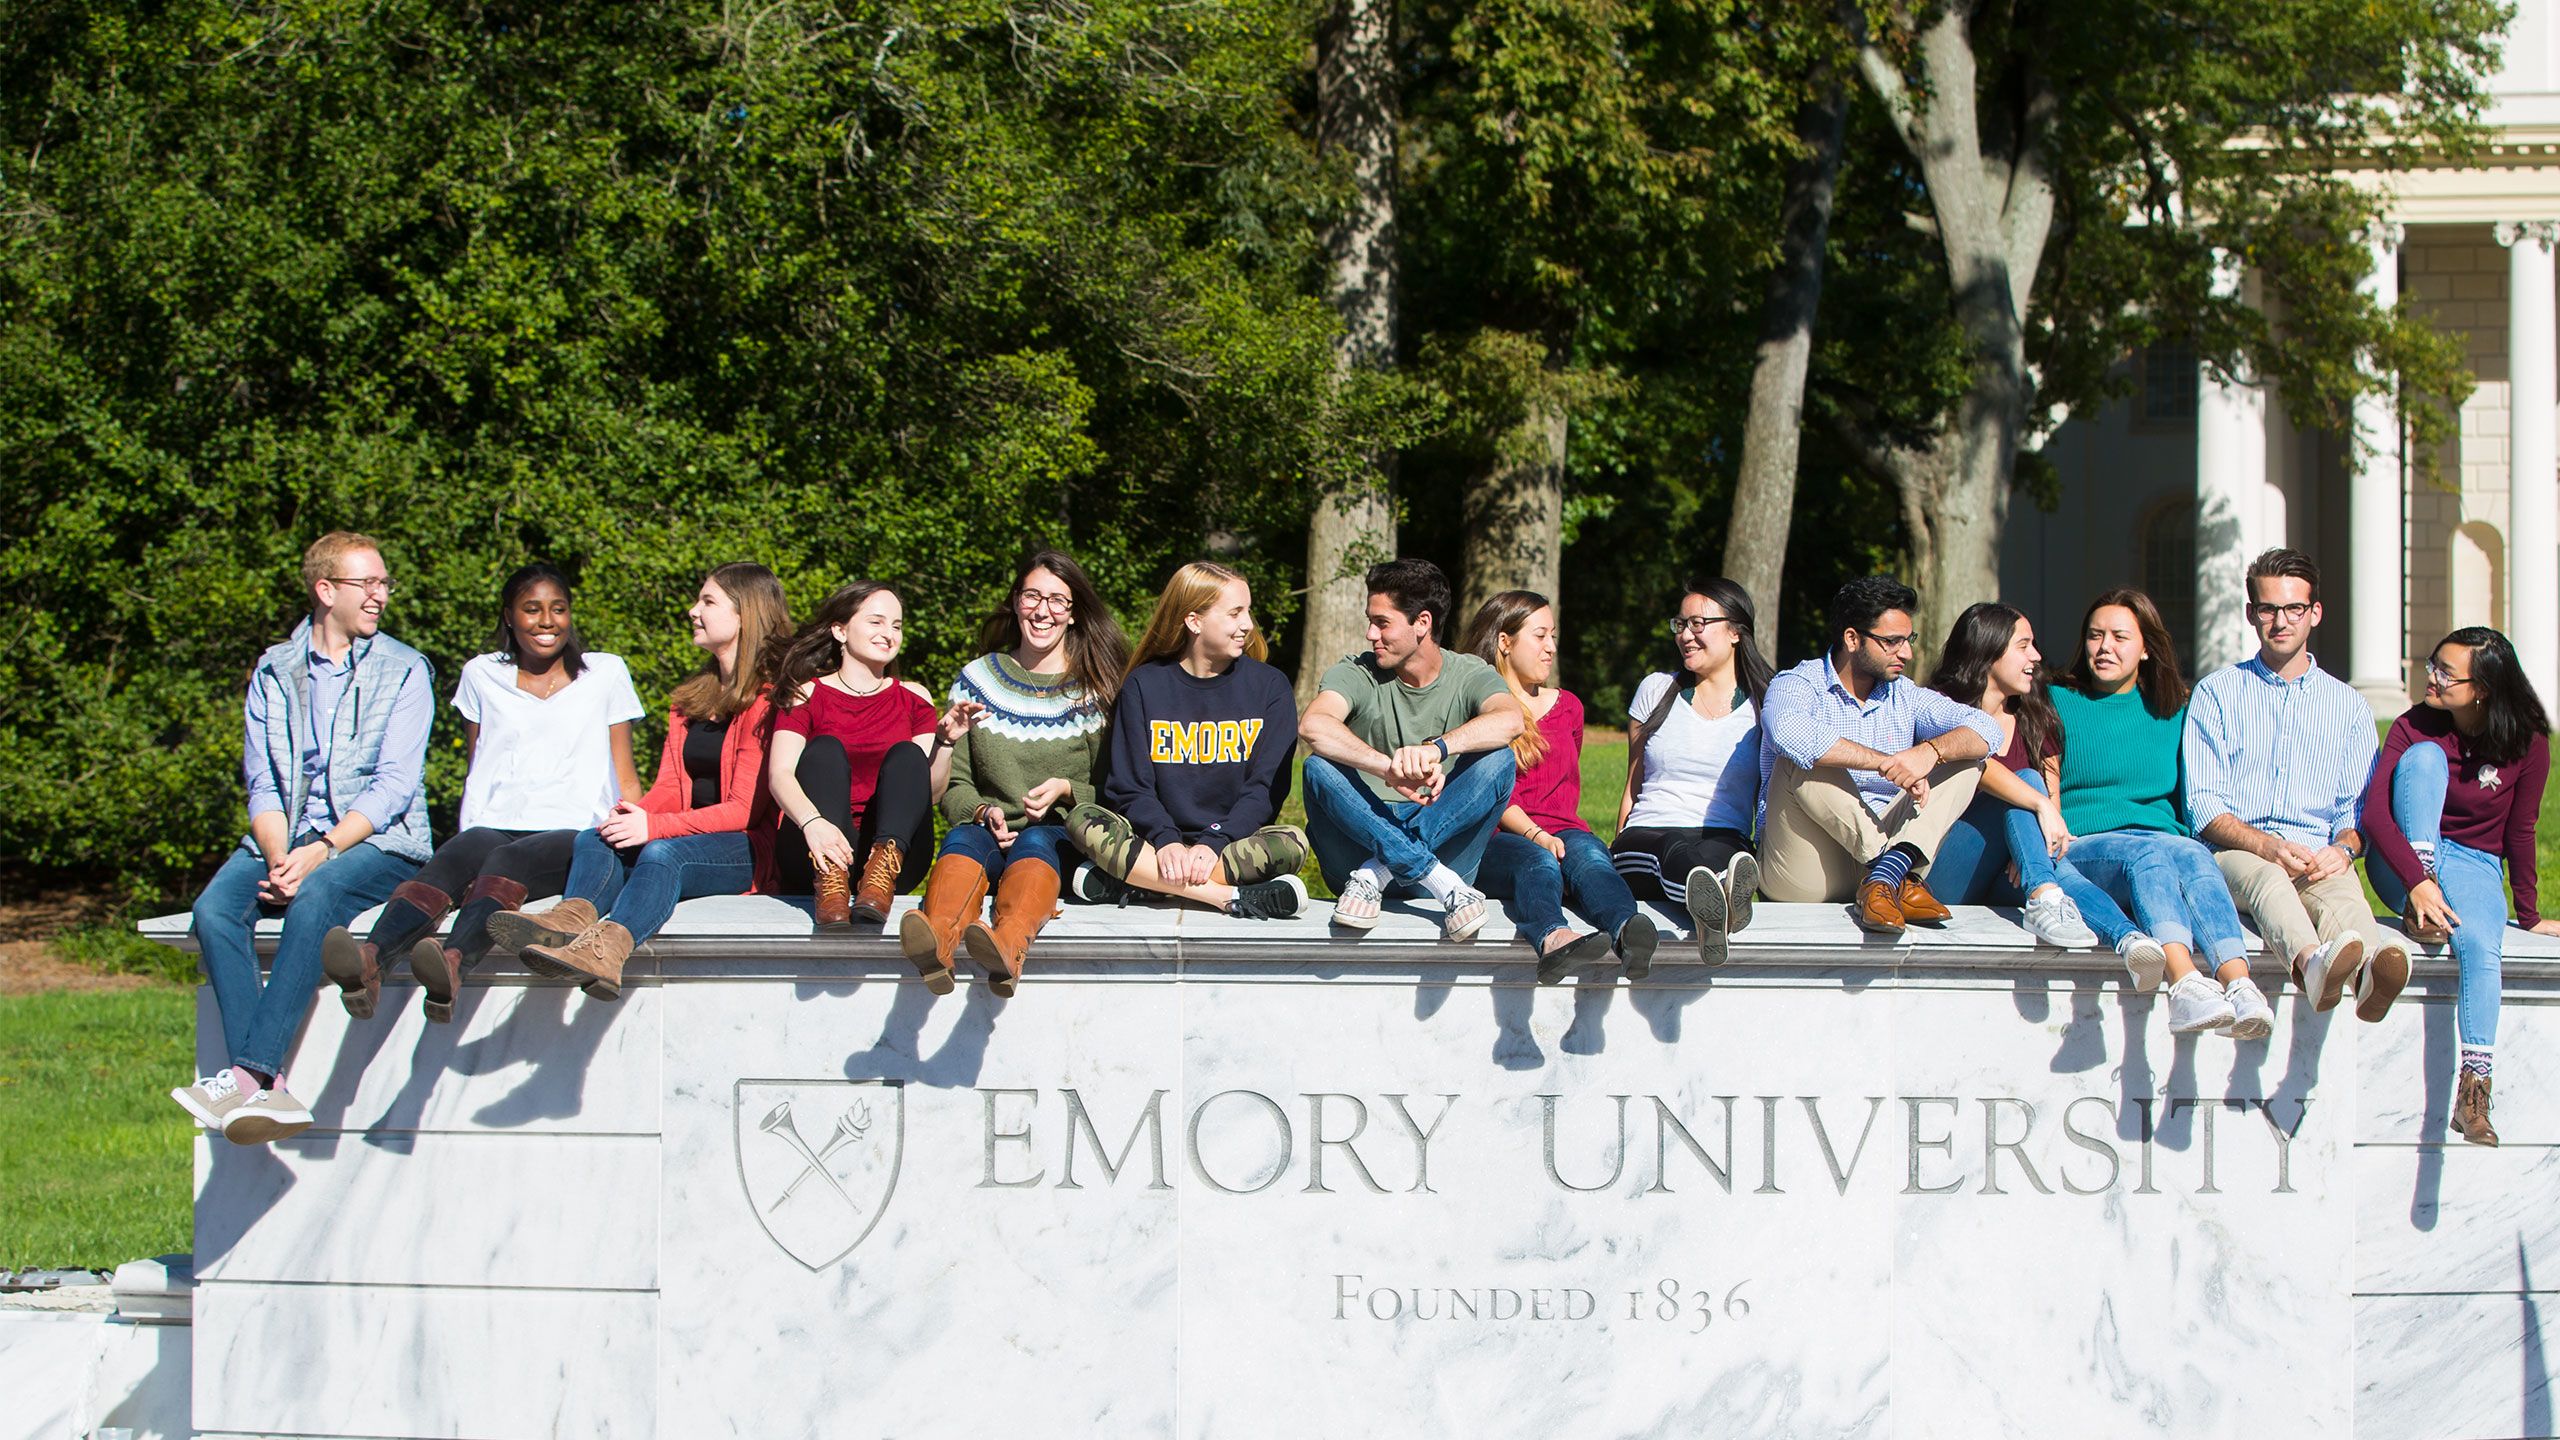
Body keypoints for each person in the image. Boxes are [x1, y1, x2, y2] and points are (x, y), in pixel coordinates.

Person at [175, 532, 434, 1145]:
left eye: (383, 583)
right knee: (213, 911)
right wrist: (277, 855)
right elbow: (262, 780)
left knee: (315, 900)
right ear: (325, 591)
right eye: (366, 584)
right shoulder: (274, 669)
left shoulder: (405, 669)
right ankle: (265, 1088)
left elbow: (395, 787)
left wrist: (320, 853)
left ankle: (250, 1073)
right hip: (285, 836)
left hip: (378, 842)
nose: (380, 596)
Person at [318, 564, 644, 1024]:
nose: (547, 621)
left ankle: (452, 964)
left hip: (576, 829)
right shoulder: (481, 674)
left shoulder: (606, 672)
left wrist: (640, 836)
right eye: (532, 610)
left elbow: (625, 772)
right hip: (496, 820)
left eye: (558, 609)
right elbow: (479, 765)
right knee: (456, 857)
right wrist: (464, 837)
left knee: (506, 863)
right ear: (509, 617)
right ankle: (370, 959)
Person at [496, 564, 790, 998]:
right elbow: (670, 786)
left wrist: (653, 827)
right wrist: (633, 816)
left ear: (745, 614)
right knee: (595, 838)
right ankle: (567, 924)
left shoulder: (770, 699)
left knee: (663, 852)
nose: (693, 610)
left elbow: (743, 808)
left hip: (746, 846)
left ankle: (606, 953)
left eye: (707, 602)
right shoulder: (690, 700)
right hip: (687, 831)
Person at [901, 549, 1128, 997]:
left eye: (1057, 600)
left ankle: (1008, 947)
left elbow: (1118, 789)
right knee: (962, 837)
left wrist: (1067, 790)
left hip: (1064, 835)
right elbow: (956, 786)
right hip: (991, 831)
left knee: (1038, 837)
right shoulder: (977, 680)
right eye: (1032, 596)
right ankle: (938, 941)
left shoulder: (1098, 689)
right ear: (1015, 602)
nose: (1042, 611)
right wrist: (983, 810)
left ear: (1074, 613)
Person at [2362, 627, 2556, 1146]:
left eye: (2447, 673)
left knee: (2479, 946)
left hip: (2473, 863)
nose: (2433, 677)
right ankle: (2418, 910)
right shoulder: (2415, 724)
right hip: (2403, 854)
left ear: (2483, 688)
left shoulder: (2529, 741)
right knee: (2423, 757)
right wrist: (2418, 880)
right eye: (2433, 664)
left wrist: (2531, 914)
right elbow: (2376, 813)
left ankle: (2474, 1091)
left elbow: (2521, 829)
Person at [2184, 548, 2398, 1016]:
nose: (2281, 621)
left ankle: (2373, 971)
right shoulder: (2216, 693)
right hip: (2236, 855)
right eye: (2268, 609)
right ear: (2251, 614)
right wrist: (2268, 846)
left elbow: (2355, 810)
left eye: (2294, 609)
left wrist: (2342, 849)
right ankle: (2310, 964)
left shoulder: (2349, 707)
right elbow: (2202, 806)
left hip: (2313, 853)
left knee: (2342, 889)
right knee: (2267, 878)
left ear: (2314, 613)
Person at [2050, 588, 2268, 1039]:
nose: (2105, 647)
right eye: (2095, 635)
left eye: (2119, 637)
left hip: (2161, 840)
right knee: (2147, 855)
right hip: (2088, 845)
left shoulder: (2174, 710)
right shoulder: (2054, 701)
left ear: (2146, 648)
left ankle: (2241, 985)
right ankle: (2184, 983)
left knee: (2192, 853)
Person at [1756, 576, 2003, 932]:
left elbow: (1987, 729)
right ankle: (1890, 869)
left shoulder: (1906, 694)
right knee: (1798, 756)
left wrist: (1930, 752)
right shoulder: (1797, 683)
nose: (1907, 653)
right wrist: (1886, 762)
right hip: (1808, 865)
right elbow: (1787, 732)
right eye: (1892, 642)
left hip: (1882, 843)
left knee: (1968, 761)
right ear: (1852, 639)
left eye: (1909, 640)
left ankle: (1885, 875)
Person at [1065, 561, 1310, 919]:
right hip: (1153, 842)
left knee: (1292, 843)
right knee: (1082, 820)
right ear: (1194, 621)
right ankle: (1226, 897)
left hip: (1231, 845)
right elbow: (1131, 788)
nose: (1248, 625)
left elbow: (1263, 791)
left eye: (1248, 611)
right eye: (1235, 613)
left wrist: (1214, 841)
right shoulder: (1144, 686)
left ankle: (1141, 883)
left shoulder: (1270, 687)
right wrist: (1165, 840)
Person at [1298, 559, 1523, 940]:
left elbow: (1510, 720)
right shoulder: (1358, 671)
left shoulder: (1469, 673)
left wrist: (1439, 748)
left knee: (1499, 760)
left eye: (1382, 623)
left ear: (1422, 623)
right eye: (1370, 621)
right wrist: (1387, 767)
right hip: (1358, 847)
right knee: (1318, 767)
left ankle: (1378, 871)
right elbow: (1313, 725)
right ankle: (1437, 880)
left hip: (1430, 850)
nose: (1371, 634)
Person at [1464, 591, 1660, 981]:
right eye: (1540, 636)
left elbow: (1563, 787)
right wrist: (1537, 835)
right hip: (1494, 836)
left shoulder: (1569, 706)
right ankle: (1553, 938)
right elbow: (1486, 791)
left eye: (1553, 636)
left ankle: (1629, 931)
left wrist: (1556, 837)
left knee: (1590, 856)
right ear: (1505, 641)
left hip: (1563, 828)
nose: (1550, 647)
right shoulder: (1481, 708)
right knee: (1536, 861)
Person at [767, 582, 971, 930]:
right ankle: (830, 879)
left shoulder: (914, 697)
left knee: (908, 755)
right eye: (876, 622)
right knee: (824, 750)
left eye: (897, 625)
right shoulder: (807, 694)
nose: (889, 634)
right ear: (840, 630)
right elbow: (780, 775)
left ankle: (879, 874)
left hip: (893, 856)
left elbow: (930, 795)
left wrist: (945, 744)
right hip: (814, 847)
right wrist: (812, 824)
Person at [1917, 603, 2118, 952]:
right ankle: (2045, 896)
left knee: (2062, 874)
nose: (2037, 656)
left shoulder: (2035, 716)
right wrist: (2036, 805)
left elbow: (2053, 814)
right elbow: (1982, 768)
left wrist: (2028, 848)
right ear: (1989, 650)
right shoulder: (1939, 707)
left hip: (2005, 873)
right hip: (1941, 872)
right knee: (2024, 779)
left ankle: (2128, 938)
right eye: (2023, 646)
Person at [1611, 578, 1772, 964]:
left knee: (1723, 857)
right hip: (1647, 839)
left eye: (1698, 624)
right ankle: (1715, 901)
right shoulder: (1657, 689)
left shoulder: (1764, 704)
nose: (1685, 635)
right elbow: (1633, 780)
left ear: (1735, 631)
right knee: (1673, 851)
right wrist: (1616, 846)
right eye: (1680, 625)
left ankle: (1715, 905)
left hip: (1723, 833)